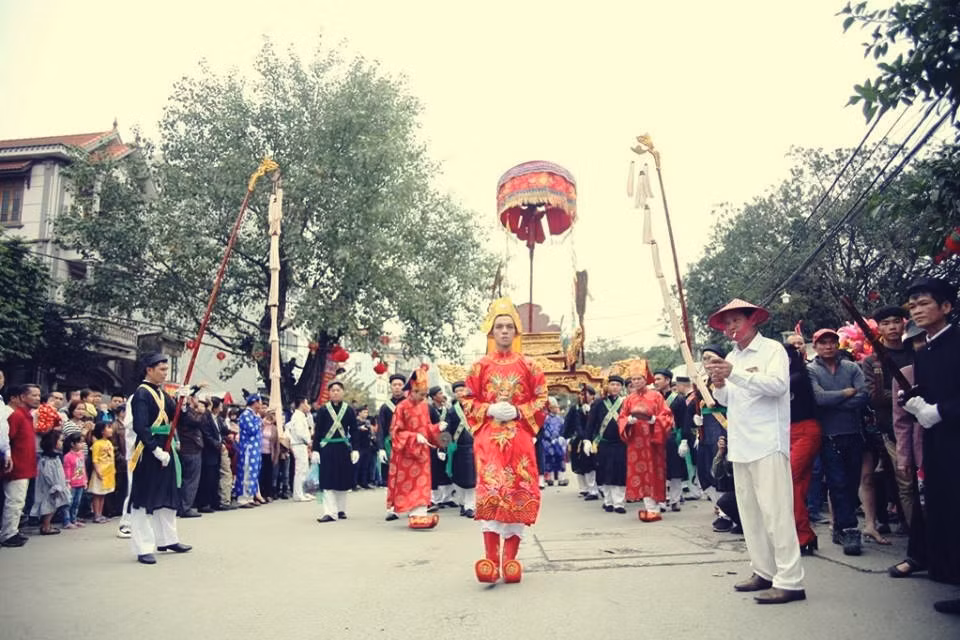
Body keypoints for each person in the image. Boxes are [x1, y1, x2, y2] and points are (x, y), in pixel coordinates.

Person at [704, 298, 805, 604]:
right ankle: (763, 570)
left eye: (736, 321)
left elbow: (776, 386)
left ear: (752, 321)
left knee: (776, 512)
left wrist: (733, 373)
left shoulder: (772, 350)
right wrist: (719, 382)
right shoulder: (733, 356)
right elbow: (725, 399)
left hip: (767, 443)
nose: (731, 327)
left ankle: (790, 580)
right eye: (727, 323)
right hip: (741, 444)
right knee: (750, 514)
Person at [462, 297, 547, 584]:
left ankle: (510, 560)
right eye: (499, 326)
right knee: (491, 494)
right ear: (491, 332)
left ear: (516, 331)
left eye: (509, 326)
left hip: (520, 441)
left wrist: (521, 411)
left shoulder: (530, 365)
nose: (504, 331)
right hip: (489, 441)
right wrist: (488, 409)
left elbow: (542, 399)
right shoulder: (479, 366)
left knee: (516, 495)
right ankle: (490, 558)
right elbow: (466, 399)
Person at [901, 277, 960, 615]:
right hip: (937, 442)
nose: (916, 310)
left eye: (923, 303)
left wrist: (941, 410)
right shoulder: (923, 351)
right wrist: (911, 401)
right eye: (913, 304)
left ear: (946, 307)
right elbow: (922, 391)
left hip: (955, 434)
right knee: (945, 506)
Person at [807, 327, 870, 556]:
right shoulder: (811, 370)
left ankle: (841, 526)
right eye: (822, 343)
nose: (828, 346)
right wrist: (845, 393)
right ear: (815, 346)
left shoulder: (852, 367)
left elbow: (864, 395)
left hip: (853, 432)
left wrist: (836, 401)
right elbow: (818, 398)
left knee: (853, 481)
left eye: (832, 342)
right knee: (837, 482)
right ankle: (848, 528)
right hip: (827, 435)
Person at [128, 353, 191, 565]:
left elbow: (178, 419)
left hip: (167, 447)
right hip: (149, 450)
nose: (165, 373)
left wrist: (182, 401)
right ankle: (143, 547)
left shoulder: (163, 393)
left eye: (166, 369)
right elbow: (140, 426)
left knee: (169, 495)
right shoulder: (141, 394)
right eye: (162, 369)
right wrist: (155, 450)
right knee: (143, 499)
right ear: (149, 369)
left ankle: (168, 539)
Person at [861, 305, 914, 536]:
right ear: (879, 328)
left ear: (904, 323)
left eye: (896, 321)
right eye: (886, 323)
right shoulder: (873, 361)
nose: (892, 327)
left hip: (924, 424)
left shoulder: (916, 351)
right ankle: (916, 534)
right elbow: (874, 397)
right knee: (904, 483)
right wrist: (908, 394)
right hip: (891, 429)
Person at [386, 365, 443, 529]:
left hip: (422, 453)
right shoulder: (401, 407)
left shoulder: (425, 406)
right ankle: (415, 514)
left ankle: (420, 514)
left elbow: (427, 428)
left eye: (425, 394)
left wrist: (438, 428)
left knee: (423, 483)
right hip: (407, 453)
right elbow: (395, 432)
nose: (422, 397)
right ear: (411, 390)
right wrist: (413, 436)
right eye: (420, 393)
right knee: (409, 484)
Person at [618, 362, 672, 521]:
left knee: (654, 472)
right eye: (633, 379)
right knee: (640, 474)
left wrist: (654, 420)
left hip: (653, 441)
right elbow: (621, 417)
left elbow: (667, 416)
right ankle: (650, 507)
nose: (636, 382)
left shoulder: (656, 396)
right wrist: (628, 421)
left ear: (645, 379)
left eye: (639, 378)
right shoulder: (629, 399)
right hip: (636, 442)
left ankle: (655, 507)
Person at [786, 343, 821, 555]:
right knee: (796, 484)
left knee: (789, 481)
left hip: (806, 431)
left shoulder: (798, 377)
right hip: (788, 432)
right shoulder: (790, 377)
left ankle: (803, 534)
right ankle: (803, 535)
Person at [311, 380, 359, 522]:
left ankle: (340, 510)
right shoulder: (323, 410)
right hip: (327, 449)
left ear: (343, 392)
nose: (335, 392)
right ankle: (329, 512)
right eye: (333, 390)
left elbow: (354, 431)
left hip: (343, 448)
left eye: (338, 390)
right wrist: (315, 450)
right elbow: (318, 431)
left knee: (342, 480)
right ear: (329, 393)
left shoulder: (349, 410)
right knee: (328, 480)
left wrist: (355, 449)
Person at [1, 384, 40, 548]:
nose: (38, 398)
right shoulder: (16, 416)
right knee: (14, 501)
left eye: (39, 395)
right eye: (34, 395)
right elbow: (7, 440)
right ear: (22, 397)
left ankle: (12, 531)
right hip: (16, 467)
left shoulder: (27, 416)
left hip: (26, 466)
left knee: (18, 501)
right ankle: (8, 534)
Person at [695, 345, 728, 504]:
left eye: (711, 357)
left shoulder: (727, 380)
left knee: (721, 465)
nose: (707, 361)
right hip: (706, 429)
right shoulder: (701, 383)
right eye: (704, 358)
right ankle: (718, 504)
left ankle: (726, 510)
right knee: (705, 467)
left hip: (723, 427)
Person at [590, 375, 628, 514]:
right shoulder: (599, 403)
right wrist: (588, 440)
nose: (615, 387)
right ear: (607, 386)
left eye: (618, 385)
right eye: (612, 384)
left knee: (620, 473)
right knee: (605, 473)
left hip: (621, 444)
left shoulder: (625, 403)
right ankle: (608, 501)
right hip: (604, 443)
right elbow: (591, 423)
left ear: (621, 387)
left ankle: (619, 503)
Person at [445, 381, 476, 517]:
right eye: (457, 391)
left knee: (472, 479)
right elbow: (446, 430)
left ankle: (470, 506)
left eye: (462, 390)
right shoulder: (451, 411)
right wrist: (443, 447)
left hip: (473, 447)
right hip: (457, 449)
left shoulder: (475, 408)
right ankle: (462, 503)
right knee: (458, 478)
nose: (460, 393)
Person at [32, 430, 70, 535]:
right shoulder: (49, 459)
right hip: (50, 486)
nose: (62, 443)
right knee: (49, 505)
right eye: (60, 440)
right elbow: (48, 473)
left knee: (53, 505)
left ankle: (46, 525)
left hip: (54, 484)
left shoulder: (54, 456)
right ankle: (46, 526)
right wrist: (55, 485)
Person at [563, 385, 597, 498]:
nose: (582, 397)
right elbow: (569, 423)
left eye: (585, 394)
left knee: (591, 465)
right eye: (581, 394)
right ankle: (583, 488)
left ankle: (593, 489)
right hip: (578, 440)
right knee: (578, 465)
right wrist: (565, 436)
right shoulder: (575, 408)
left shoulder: (596, 406)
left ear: (592, 396)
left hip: (593, 439)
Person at [379, 373, 407, 495]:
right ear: (390, 387)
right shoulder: (385, 407)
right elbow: (381, 428)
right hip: (390, 444)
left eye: (400, 384)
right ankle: (391, 507)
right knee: (390, 475)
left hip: (407, 444)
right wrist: (380, 448)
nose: (397, 387)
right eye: (394, 385)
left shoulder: (410, 405)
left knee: (406, 474)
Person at [234, 394, 264, 508]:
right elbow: (252, 430)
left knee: (254, 473)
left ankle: (250, 496)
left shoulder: (254, 415)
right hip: (248, 449)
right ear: (254, 402)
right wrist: (259, 421)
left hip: (255, 449)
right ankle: (243, 498)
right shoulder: (246, 415)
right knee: (247, 472)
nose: (260, 405)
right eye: (259, 402)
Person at [428, 387, 456, 508]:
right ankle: (435, 499)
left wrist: (446, 444)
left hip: (445, 441)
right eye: (439, 393)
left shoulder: (447, 409)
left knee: (447, 469)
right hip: (433, 442)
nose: (442, 395)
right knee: (435, 470)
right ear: (433, 396)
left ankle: (447, 498)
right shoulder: (429, 409)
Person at [196, 396, 223, 513]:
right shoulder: (206, 418)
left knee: (215, 478)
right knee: (207, 478)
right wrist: (217, 444)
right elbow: (207, 435)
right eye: (220, 405)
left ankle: (214, 502)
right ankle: (204, 503)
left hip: (216, 453)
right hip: (208, 452)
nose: (222, 408)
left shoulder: (216, 418)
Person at [286, 397, 314, 501]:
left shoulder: (303, 416)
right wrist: (308, 440)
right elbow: (299, 431)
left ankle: (304, 491)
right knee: (300, 470)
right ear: (302, 404)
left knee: (305, 469)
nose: (308, 406)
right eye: (306, 403)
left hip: (303, 444)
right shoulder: (297, 416)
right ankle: (298, 494)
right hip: (298, 444)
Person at [89, 422, 116, 523]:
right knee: (97, 494)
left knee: (103, 494)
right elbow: (95, 459)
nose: (111, 430)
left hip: (108, 471)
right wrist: (98, 471)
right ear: (102, 431)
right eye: (108, 427)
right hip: (100, 471)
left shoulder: (108, 442)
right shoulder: (97, 444)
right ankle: (96, 515)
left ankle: (100, 514)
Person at [62, 433, 88, 529]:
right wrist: (67, 482)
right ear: (73, 444)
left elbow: (83, 468)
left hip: (80, 482)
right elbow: (67, 470)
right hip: (72, 483)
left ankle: (74, 519)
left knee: (77, 503)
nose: (82, 445)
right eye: (80, 442)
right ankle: (66, 521)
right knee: (69, 502)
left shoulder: (81, 454)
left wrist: (85, 480)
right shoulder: (68, 456)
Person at [541, 397, 567, 486]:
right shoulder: (546, 419)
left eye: (557, 407)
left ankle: (561, 478)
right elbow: (544, 430)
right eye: (554, 407)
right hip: (548, 442)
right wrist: (550, 438)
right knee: (549, 460)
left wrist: (561, 437)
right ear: (550, 408)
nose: (556, 409)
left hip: (558, 442)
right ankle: (550, 478)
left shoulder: (560, 419)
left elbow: (563, 429)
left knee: (560, 459)